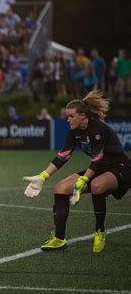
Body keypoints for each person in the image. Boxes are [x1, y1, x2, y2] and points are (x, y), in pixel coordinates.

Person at [23, 90, 131, 253]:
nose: (68, 119)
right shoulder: (74, 133)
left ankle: (99, 230)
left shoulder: (97, 129)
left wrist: (82, 182)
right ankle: (59, 239)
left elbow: (97, 159)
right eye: (67, 116)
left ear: (83, 116)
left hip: (120, 168)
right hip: (98, 169)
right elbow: (63, 156)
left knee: (97, 185)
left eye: (71, 116)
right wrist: (42, 176)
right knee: (60, 188)